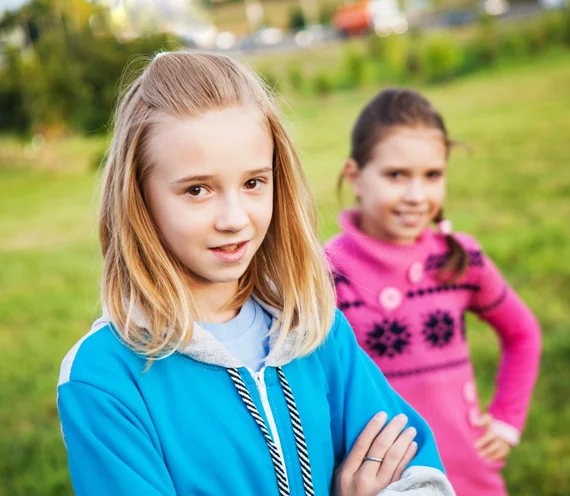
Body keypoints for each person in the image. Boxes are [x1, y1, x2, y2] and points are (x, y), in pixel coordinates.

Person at [56, 52, 455, 496]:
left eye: (253, 183)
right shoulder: (104, 377)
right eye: (197, 189)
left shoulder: (314, 330)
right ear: (139, 198)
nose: (234, 218)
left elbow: (420, 477)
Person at [324, 88, 542, 495]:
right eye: (396, 175)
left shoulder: (461, 259)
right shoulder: (328, 274)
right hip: (392, 484)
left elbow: (522, 332)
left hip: (473, 476)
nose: (416, 195)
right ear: (355, 177)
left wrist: (507, 419)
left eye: (432, 175)